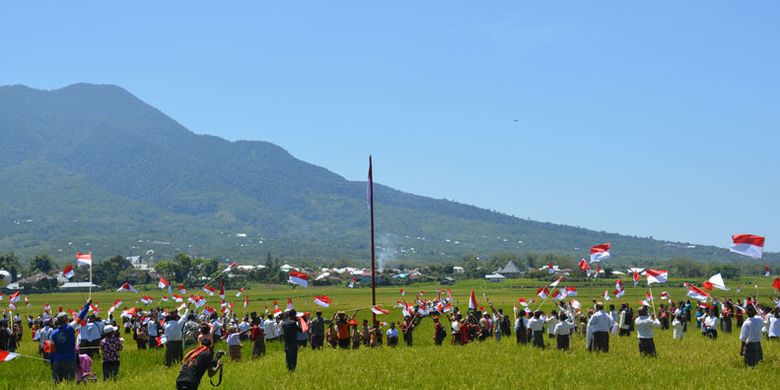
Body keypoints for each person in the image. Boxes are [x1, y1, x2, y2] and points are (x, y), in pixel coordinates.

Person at [50, 299, 91, 383]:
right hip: (70, 360)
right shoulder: (70, 328)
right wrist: (87, 304)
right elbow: (81, 316)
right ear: (66, 320)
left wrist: (52, 363)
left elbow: (51, 351)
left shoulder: (53, 334)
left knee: (56, 383)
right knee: (70, 383)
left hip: (57, 360)